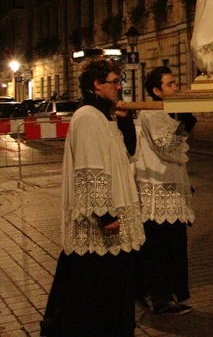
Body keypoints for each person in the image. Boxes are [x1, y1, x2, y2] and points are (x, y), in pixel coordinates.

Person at [40, 58, 145, 336]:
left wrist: (125, 121)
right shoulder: (87, 116)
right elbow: (90, 168)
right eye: (114, 82)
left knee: (111, 283)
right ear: (97, 85)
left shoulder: (104, 115)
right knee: (94, 285)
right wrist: (106, 213)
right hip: (101, 220)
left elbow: (127, 154)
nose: (118, 87)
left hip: (114, 212)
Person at [133, 66, 197, 315]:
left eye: (175, 82)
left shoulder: (168, 111)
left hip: (172, 188)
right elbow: (167, 146)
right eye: (170, 84)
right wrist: (186, 124)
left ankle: (165, 294)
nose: (176, 87)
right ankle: (159, 297)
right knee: (160, 247)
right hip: (159, 191)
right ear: (157, 91)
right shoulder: (152, 113)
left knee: (172, 246)